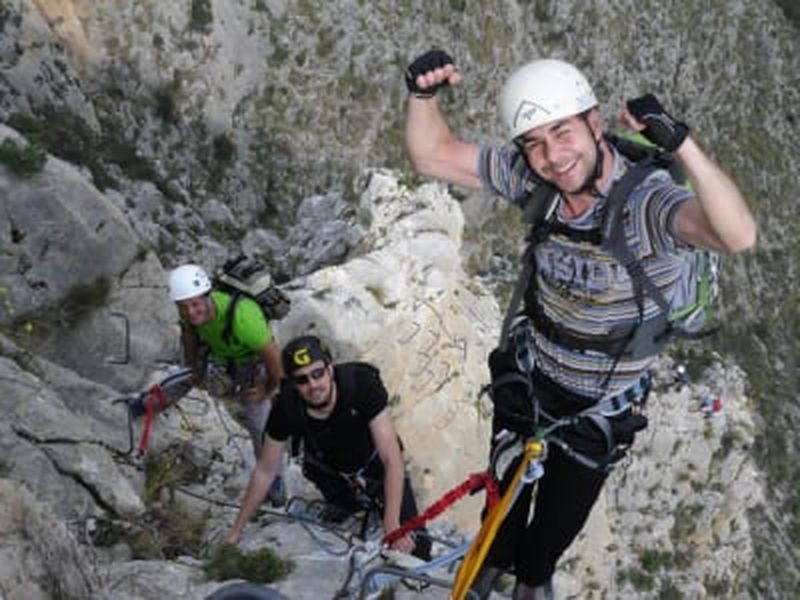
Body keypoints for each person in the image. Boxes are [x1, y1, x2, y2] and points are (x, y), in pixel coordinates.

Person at [404, 50, 756, 598]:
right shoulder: (534, 181)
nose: (552, 156)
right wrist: (423, 96)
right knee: (501, 516)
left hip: (600, 407)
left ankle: (529, 582)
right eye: (535, 142)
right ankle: (486, 573)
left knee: (548, 541)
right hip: (529, 382)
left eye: (562, 132)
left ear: (594, 123)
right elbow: (433, 156)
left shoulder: (646, 204)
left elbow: (736, 236)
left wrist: (682, 144)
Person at [224, 335, 431, 560]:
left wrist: (392, 523)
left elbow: (392, 458)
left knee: (417, 546)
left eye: (317, 373)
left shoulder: (360, 384)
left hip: (376, 467)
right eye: (302, 380)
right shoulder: (287, 408)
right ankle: (346, 505)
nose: (313, 385)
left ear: (330, 369)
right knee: (339, 499)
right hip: (329, 470)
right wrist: (236, 532)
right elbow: (265, 471)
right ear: (293, 384)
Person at [168, 263, 286, 505]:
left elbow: (274, 359)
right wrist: (192, 369)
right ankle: (146, 407)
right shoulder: (189, 311)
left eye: (195, 304)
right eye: (184, 307)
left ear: (208, 296)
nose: (191, 312)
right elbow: (190, 333)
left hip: (252, 361)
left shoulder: (243, 319)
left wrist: (267, 389)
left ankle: (274, 478)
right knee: (180, 379)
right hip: (220, 354)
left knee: (259, 423)